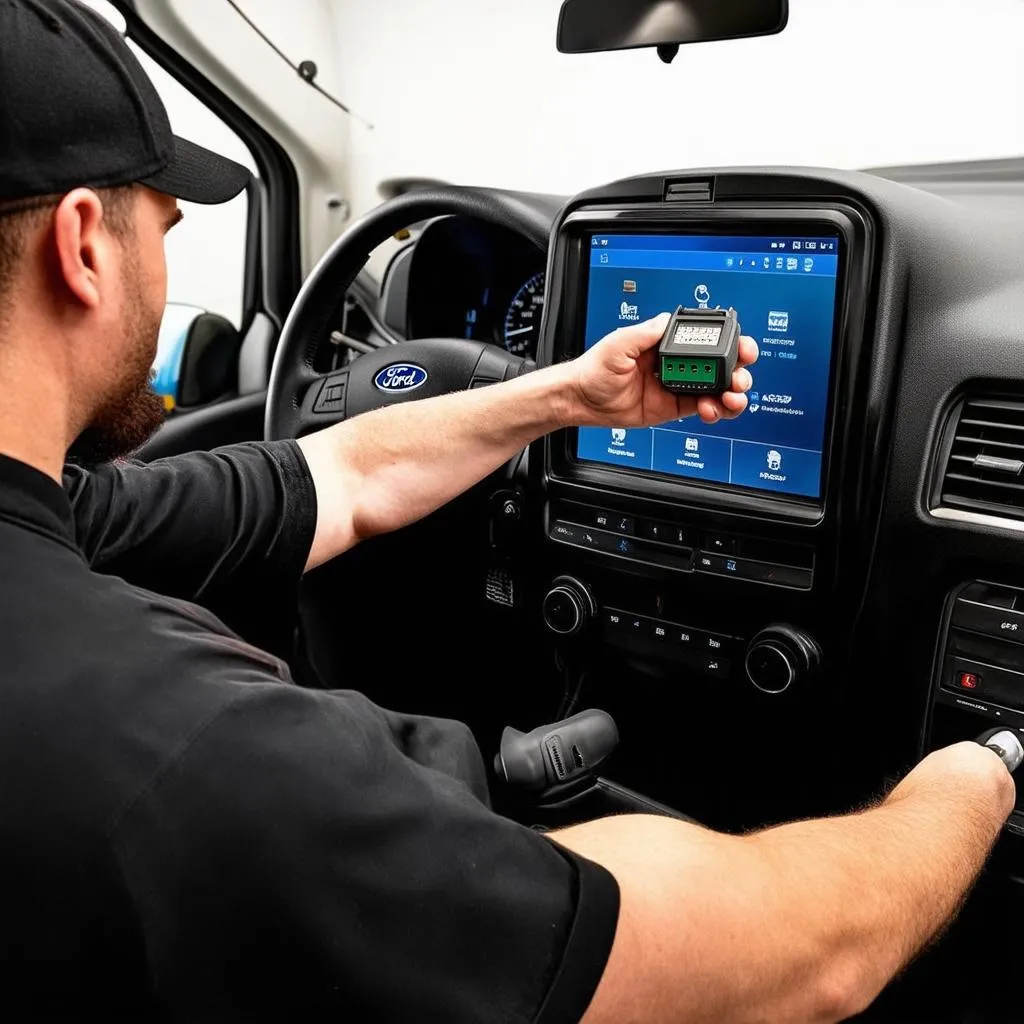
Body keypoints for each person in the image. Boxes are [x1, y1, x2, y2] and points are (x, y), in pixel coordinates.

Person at [0, 2, 1014, 1021]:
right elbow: (806, 962)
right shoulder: (198, 757)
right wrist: (966, 786)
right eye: (166, 227)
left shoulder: (61, 519)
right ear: (85, 244)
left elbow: (341, 477)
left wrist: (570, 397)